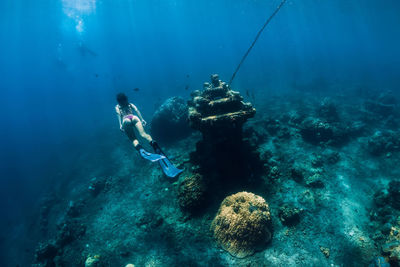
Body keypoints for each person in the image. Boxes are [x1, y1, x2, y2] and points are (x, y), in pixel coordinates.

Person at [115, 93, 183, 177]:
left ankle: (141, 150)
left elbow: (119, 115)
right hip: (134, 117)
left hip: (125, 120)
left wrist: (120, 125)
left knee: (134, 139)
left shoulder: (117, 107)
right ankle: (154, 144)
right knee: (144, 134)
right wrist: (142, 119)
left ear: (118, 100)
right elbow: (137, 110)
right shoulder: (130, 104)